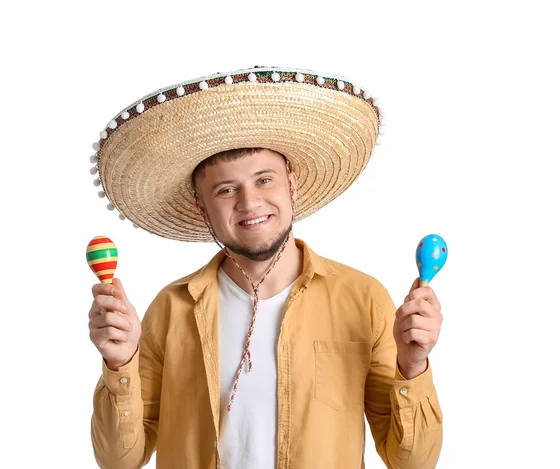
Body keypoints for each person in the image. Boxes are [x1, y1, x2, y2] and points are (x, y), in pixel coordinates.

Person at [88, 67, 443, 469]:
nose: (249, 202)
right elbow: (119, 461)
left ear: (291, 184)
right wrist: (120, 363)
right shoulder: (171, 309)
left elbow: (411, 462)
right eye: (225, 189)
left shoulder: (363, 299)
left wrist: (413, 367)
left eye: (264, 179)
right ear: (201, 206)